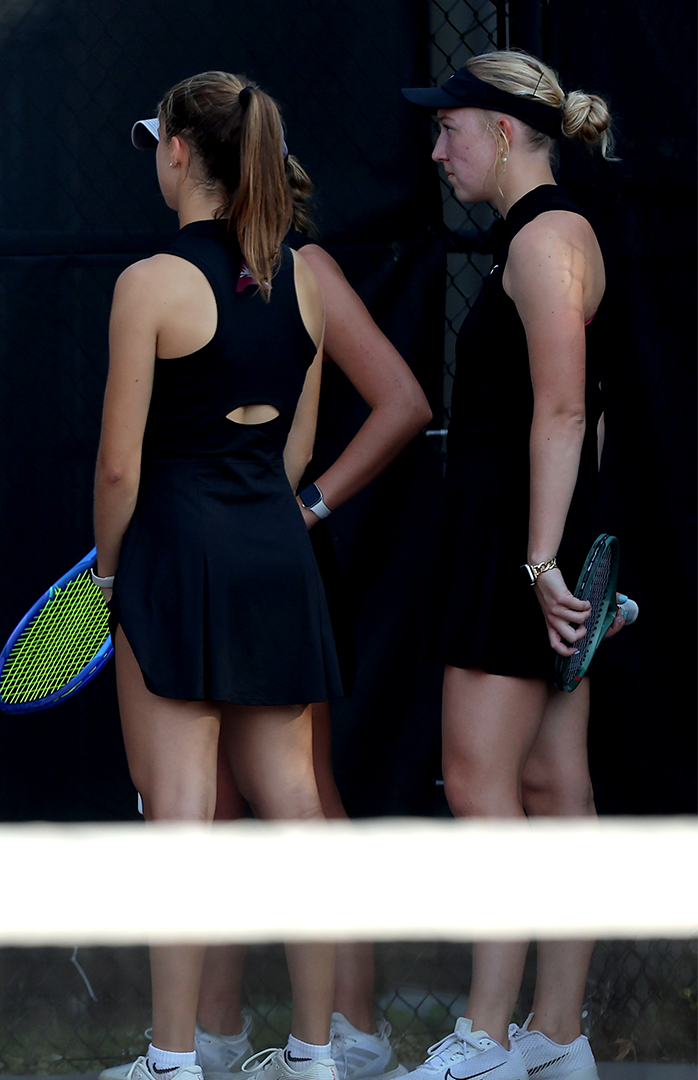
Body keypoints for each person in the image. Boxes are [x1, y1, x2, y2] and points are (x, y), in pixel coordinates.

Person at [111, 146, 433, 1080]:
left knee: (292, 798)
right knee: (221, 800)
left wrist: (300, 506)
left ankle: (345, 1034)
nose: (159, 169)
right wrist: (257, 513)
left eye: (166, 150)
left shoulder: (298, 272)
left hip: (229, 555)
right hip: (245, 553)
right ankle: (230, 1042)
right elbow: (273, 449)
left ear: (202, 162)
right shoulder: (220, 280)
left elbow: (395, 404)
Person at [94, 73, 338, 1080]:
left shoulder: (149, 282)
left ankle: (174, 1059)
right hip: (273, 556)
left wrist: (112, 580)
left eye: (159, 140)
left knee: (181, 816)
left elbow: (118, 465)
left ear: (182, 154)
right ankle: (317, 1056)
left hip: (175, 558)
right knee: (295, 808)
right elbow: (294, 452)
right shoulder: (308, 279)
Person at [398, 50, 617, 1080]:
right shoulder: (549, 237)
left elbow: (568, 409)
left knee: (485, 779)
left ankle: (487, 1037)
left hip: (519, 545)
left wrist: (538, 563)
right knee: (548, 779)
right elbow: (587, 421)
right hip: (541, 538)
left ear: (501, 130)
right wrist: (572, 557)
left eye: (452, 128)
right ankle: (557, 1035)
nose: (438, 149)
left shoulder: (541, 242)